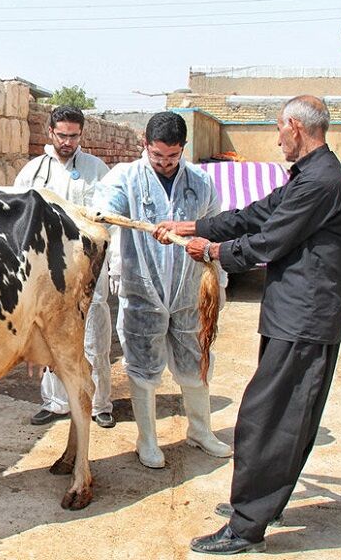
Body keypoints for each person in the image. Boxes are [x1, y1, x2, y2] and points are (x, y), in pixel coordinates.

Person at [155, 96, 341, 554]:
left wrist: (212, 252)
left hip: (306, 319)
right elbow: (255, 215)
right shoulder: (309, 176)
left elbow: (268, 239)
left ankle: (246, 526)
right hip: (293, 314)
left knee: (269, 419)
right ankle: (262, 505)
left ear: (295, 127)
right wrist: (193, 226)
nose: (276, 137)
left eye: (278, 129)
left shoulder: (320, 183)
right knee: (284, 415)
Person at [93, 111, 232, 469]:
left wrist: (208, 257)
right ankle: (148, 440)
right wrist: (115, 216)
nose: (165, 164)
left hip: (188, 289)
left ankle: (200, 431)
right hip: (143, 293)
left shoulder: (200, 181)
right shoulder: (125, 178)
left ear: (182, 149)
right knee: (142, 366)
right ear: (146, 145)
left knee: (196, 361)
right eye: (158, 157)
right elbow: (105, 214)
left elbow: (215, 224)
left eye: (172, 157)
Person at [14, 104, 116, 429]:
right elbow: (17, 217)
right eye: (62, 135)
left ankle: (99, 404)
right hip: (47, 268)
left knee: (94, 336)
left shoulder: (97, 170)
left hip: (86, 267)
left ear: (80, 135)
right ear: (50, 133)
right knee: (49, 333)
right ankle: (55, 402)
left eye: (73, 136)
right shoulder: (32, 172)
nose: (67, 142)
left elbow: (108, 218)